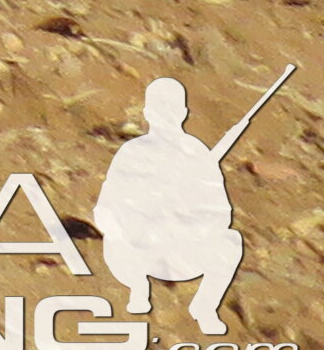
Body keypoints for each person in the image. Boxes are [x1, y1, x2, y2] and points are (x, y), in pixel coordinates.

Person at [93, 78, 248, 335]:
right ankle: (138, 288)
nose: (165, 117)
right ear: (148, 113)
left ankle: (205, 307)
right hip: (137, 247)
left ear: (183, 114)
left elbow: (221, 214)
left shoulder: (197, 154)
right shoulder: (133, 151)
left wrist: (187, 215)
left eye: (171, 110)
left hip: (180, 248)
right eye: (159, 110)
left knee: (230, 242)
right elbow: (107, 205)